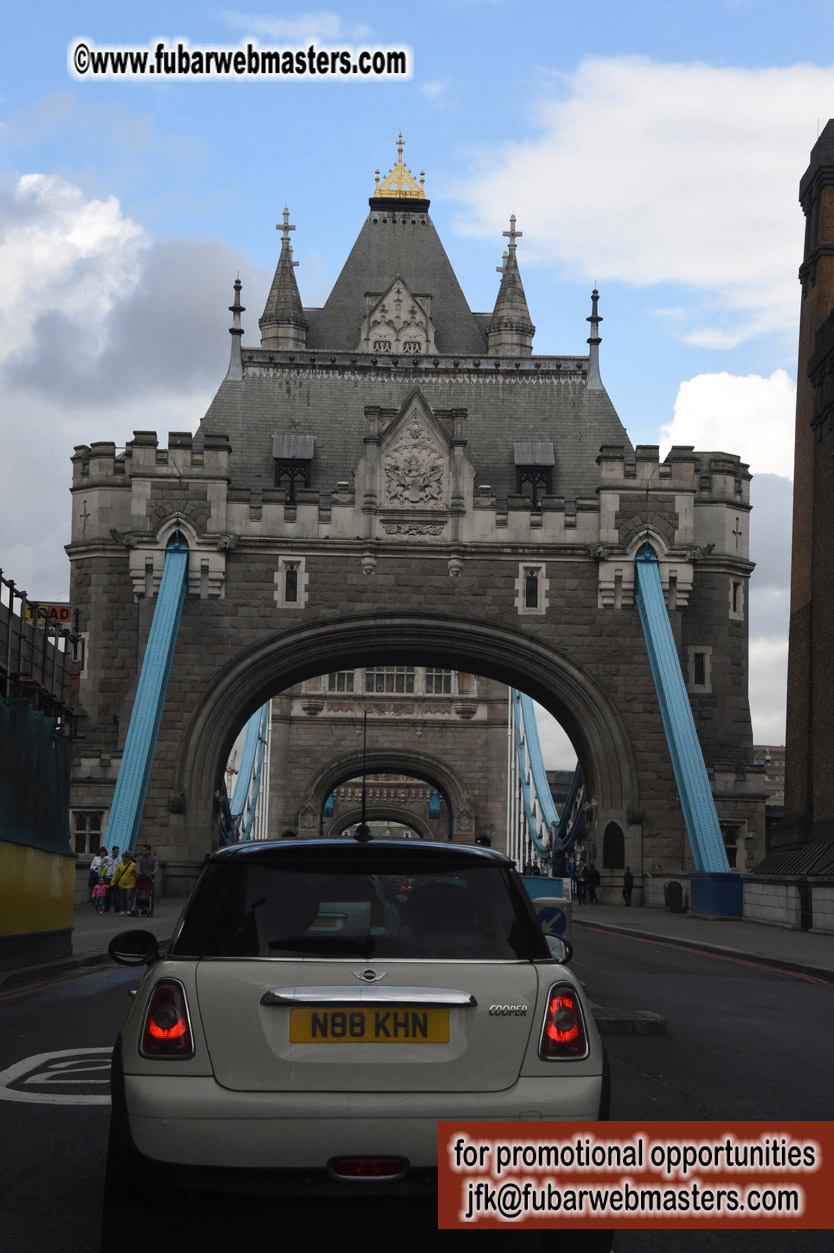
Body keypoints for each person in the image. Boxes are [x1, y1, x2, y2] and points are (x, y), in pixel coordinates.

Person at [111, 849, 138, 915]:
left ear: (128, 858)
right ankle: (123, 909)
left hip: (130, 884)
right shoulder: (120, 865)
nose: (123, 859)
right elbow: (116, 874)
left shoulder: (133, 865)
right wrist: (113, 882)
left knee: (129, 897)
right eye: (123, 858)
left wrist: (136, 882)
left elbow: (136, 874)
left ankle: (129, 909)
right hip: (121, 884)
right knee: (122, 897)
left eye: (125, 858)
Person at [135, 844, 160, 912]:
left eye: (144, 850)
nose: (143, 851)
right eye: (142, 850)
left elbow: (156, 867)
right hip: (142, 878)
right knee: (139, 891)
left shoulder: (154, 858)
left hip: (150, 878)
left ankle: (151, 906)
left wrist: (154, 872)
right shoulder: (140, 858)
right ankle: (138, 905)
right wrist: (138, 872)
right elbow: (137, 866)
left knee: (152, 892)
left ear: (149, 851)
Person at [101, 846, 120, 913]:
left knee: (116, 894)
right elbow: (100, 864)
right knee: (107, 894)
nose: (117, 853)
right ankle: (107, 907)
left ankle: (117, 908)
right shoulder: (107, 858)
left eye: (118, 851)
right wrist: (100, 874)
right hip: (108, 878)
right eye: (116, 851)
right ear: (113, 851)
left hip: (115, 878)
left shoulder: (119, 859)